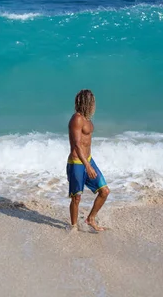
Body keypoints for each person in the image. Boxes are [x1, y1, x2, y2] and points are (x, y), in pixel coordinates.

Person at [67, 89, 110, 231]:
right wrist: (87, 166)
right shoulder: (77, 119)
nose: (94, 106)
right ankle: (73, 227)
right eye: (92, 102)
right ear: (86, 103)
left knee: (104, 191)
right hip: (77, 163)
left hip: (88, 160)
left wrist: (89, 163)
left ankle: (90, 219)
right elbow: (77, 144)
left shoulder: (88, 120)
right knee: (76, 198)